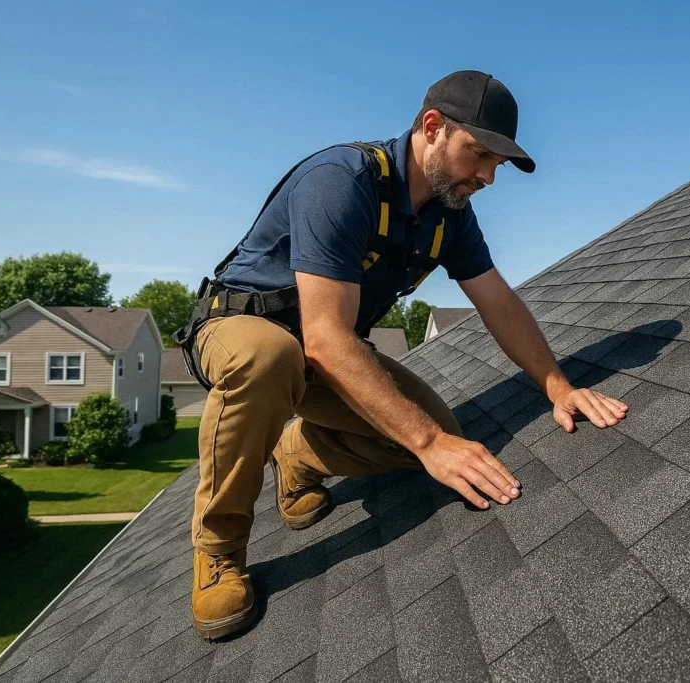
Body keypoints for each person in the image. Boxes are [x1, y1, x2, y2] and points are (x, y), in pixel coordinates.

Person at [184, 70, 629, 640]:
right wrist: (430, 445)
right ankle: (218, 551)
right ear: (432, 128)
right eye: (481, 154)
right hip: (244, 327)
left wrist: (557, 386)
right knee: (276, 362)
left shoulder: (450, 217)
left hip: (322, 352)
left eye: (499, 164)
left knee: (440, 433)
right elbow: (323, 337)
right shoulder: (340, 182)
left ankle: (298, 453)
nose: (489, 176)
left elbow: (498, 302)